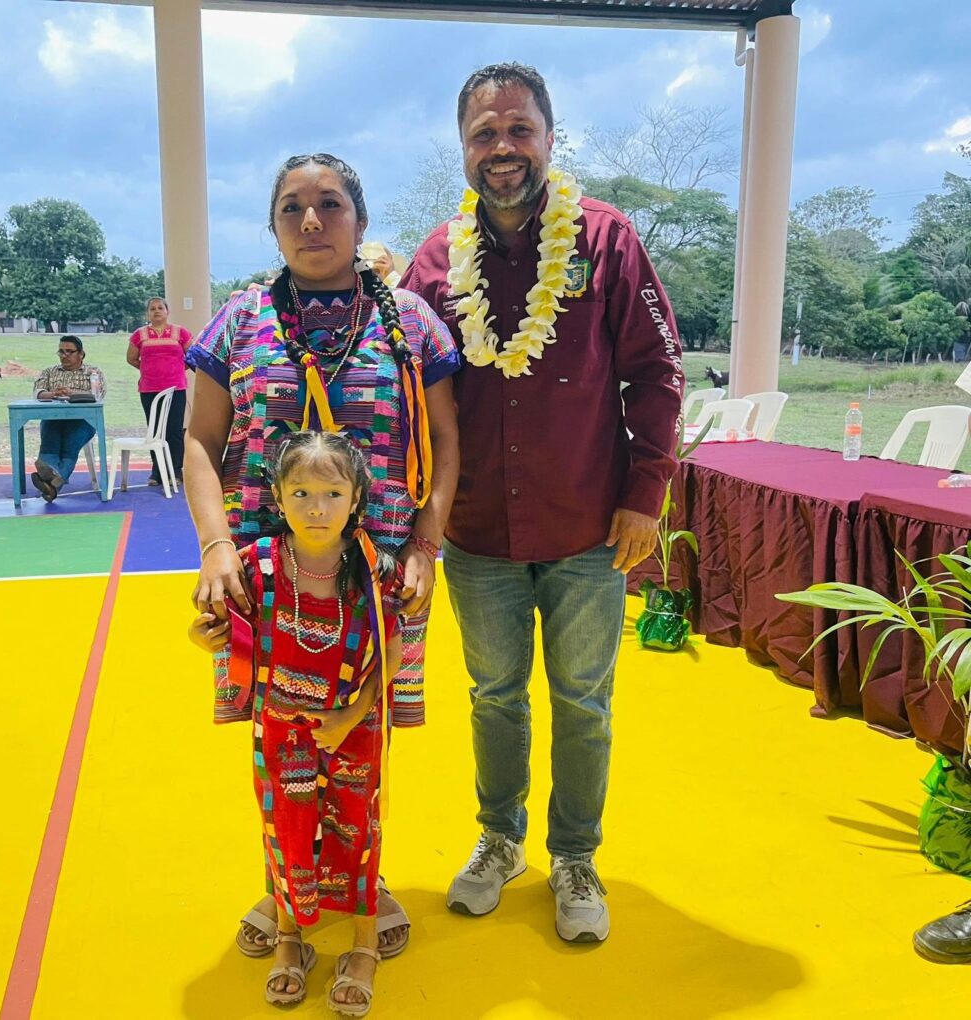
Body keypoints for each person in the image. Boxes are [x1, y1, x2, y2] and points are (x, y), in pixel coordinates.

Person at [400, 63, 684, 943]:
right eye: (484, 134)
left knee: (584, 702)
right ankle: (499, 840)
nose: (503, 148)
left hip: (588, 527)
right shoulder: (437, 259)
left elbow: (658, 374)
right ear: (463, 148)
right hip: (477, 530)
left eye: (519, 129)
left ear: (550, 139)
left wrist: (645, 496)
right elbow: (406, 391)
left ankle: (575, 856)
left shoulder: (607, 239)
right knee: (494, 696)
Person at [184, 153, 460, 962]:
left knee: (361, 736)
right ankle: (287, 884)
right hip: (269, 581)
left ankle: (359, 881)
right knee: (281, 739)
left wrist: (426, 544)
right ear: (273, 226)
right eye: (292, 208)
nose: (311, 221)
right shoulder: (239, 322)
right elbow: (199, 441)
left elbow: (447, 444)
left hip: (380, 577)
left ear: (360, 221)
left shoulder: (412, 322)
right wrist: (215, 546)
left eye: (331, 204)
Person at [190, 432, 402, 1013]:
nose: (316, 508)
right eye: (301, 492)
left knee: (357, 832)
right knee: (284, 831)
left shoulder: (373, 568)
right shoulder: (255, 566)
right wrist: (203, 637)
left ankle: (364, 944)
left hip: (355, 731)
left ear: (356, 499)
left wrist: (350, 715)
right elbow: (221, 630)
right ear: (278, 497)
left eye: (332, 494)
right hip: (278, 735)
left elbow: (393, 647)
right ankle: (290, 937)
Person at [30, 335, 107, 502]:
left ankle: (49, 481)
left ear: (81, 354)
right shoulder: (49, 372)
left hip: (83, 421)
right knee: (49, 439)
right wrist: (53, 394)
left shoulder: (93, 372)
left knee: (69, 445)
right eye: (61, 352)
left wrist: (73, 394)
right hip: (53, 418)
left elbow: (98, 395)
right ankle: (52, 482)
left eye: (69, 352)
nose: (64, 355)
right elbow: (38, 392)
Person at [126, 297, 193, 486]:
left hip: (175, 389)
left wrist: (176, 370)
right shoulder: (139, 334)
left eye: (160, 308)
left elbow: (192, 356)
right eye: (152, 308)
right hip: (149, 389)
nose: (156, 311)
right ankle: (157, 472)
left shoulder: (180, 332)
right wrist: (148, 370)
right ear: (147, 313)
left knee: (174, 431)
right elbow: (131, 358)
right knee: (155, 431)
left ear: (167, 311)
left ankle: (176, 472)